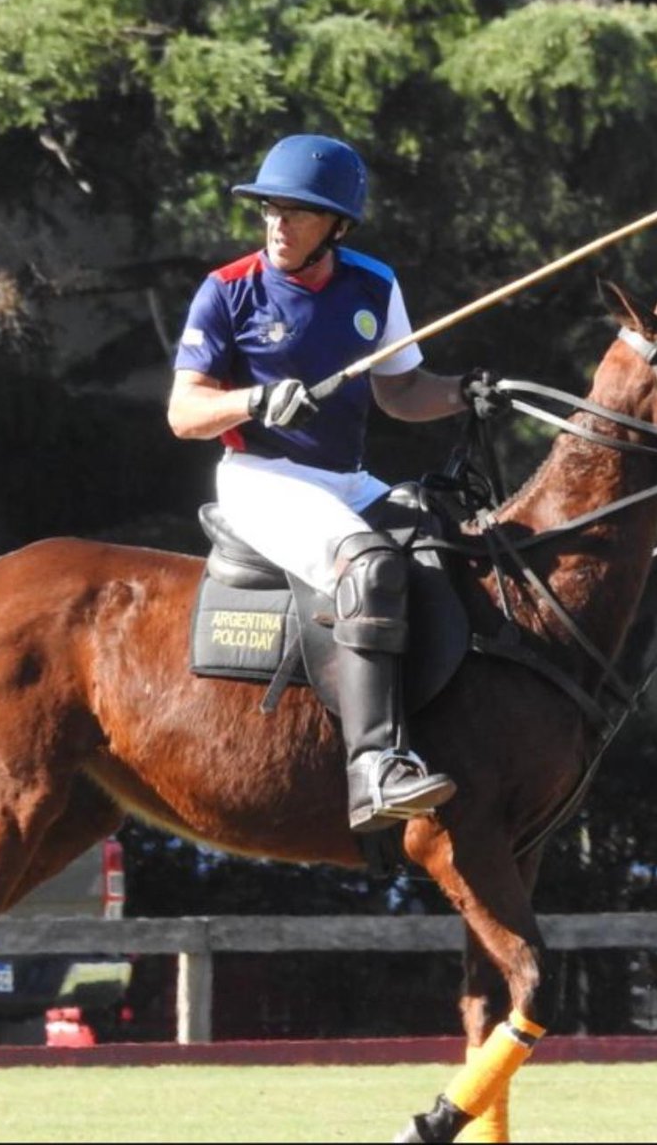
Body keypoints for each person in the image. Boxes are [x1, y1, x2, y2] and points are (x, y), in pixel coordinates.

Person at [168, 133, 505, 834]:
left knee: (451, 549)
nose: (277, 226)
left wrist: (466, 392)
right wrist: (254, 403)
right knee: (372, 566)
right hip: (260, 479)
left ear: (337, 225)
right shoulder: (228, 291)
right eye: (269, 211)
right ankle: (374, 767)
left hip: (343, 482)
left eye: (296, 213)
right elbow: (184, 413)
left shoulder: (373, 285)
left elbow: (403, 391)